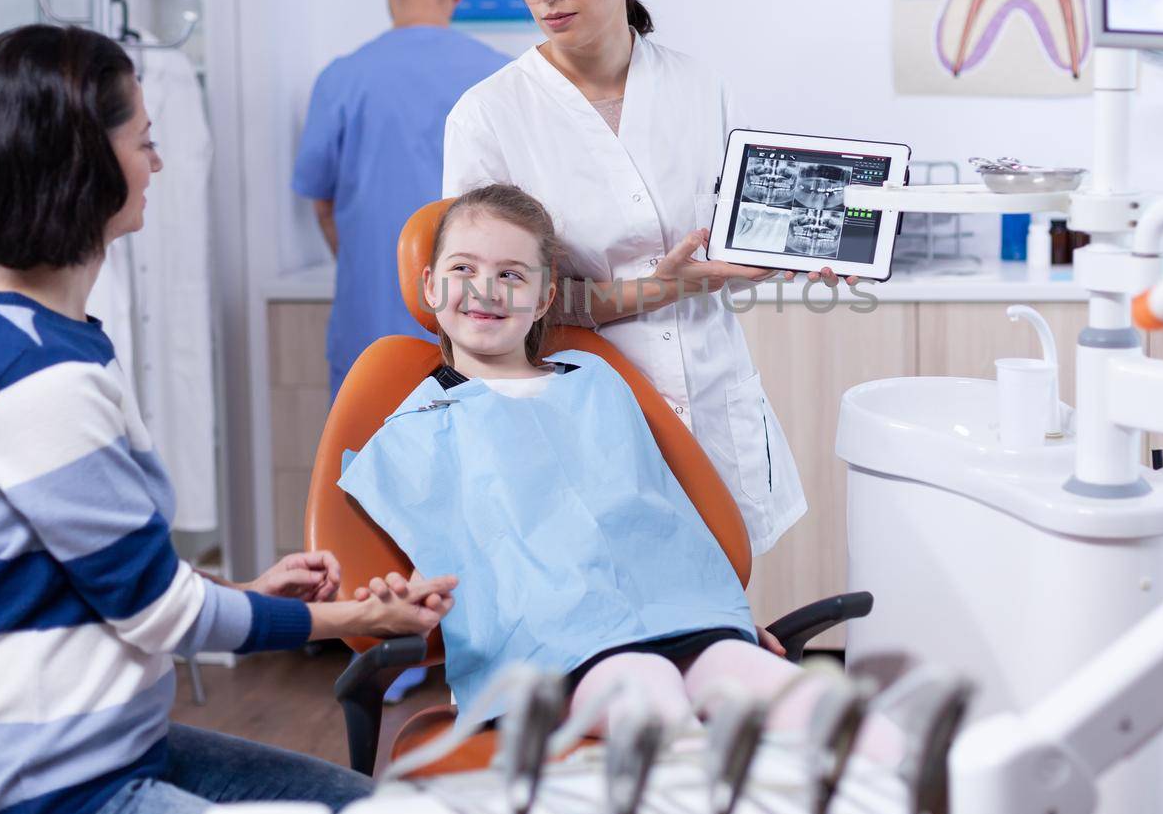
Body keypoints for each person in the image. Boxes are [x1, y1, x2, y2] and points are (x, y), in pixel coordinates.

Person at [0, 24, 457, 814]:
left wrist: (244, 589)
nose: (158, 163)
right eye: (145, 139)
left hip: (105, 748)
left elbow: (109, 581)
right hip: (38, 792)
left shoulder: (14, 323)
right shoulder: (36, 377)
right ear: (84, 165)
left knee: (371, 807)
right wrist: (361, 617)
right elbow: (160, 614)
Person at [339, 186, 902, 756]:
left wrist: (714, 609)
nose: (487, 289)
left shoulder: (595, 380)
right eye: (465, 268)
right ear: (431, 284)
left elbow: (658, 520)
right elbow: (453, 561)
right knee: (667, 726)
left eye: (512, 275)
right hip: (552, 655)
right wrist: (405, 604)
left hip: (683, 627)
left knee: (856, 731)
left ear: (544, 298)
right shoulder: (415, 431)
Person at [443, 0, 817, 556]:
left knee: (721, 619)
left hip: (714, 406)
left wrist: (794, 254)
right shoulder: (488, 117)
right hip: (583, 423)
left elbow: (733, 236)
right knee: (617, 646)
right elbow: (487, 311)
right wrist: (658, 289)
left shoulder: (699, 87)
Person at [294, 0, 509, 397]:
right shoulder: (501, 77)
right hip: (476, 330)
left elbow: (323, 205)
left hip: (370, 331)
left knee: (363, 464)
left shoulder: (343, 79)